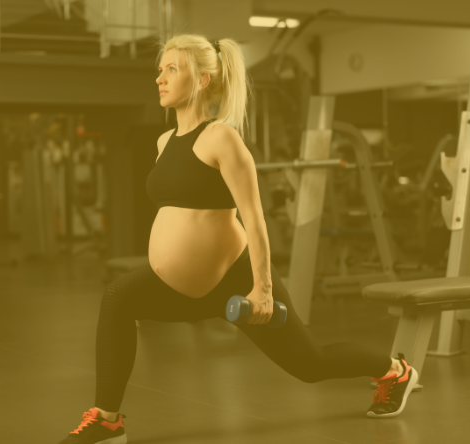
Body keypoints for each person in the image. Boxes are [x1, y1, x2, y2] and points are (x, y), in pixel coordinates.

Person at [58, 34, 419, 444]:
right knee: (118, 297)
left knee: (309, 364)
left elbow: (254, 218)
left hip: (236, 279)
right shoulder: (163, 142)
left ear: (203, 80)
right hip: (185, 286)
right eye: (160, 70)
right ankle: (107, 420)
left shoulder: (222, 139)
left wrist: (262, 289)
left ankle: (395, 371)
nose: (159, 78)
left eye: (172, 69)